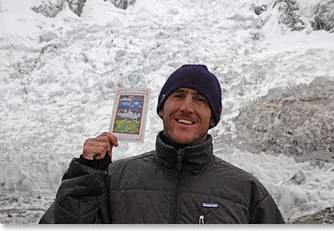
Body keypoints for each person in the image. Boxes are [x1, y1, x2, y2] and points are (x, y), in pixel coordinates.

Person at [39, 64, 285, 224]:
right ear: (161, 108)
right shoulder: (112, 179)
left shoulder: (246, 190)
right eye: (178, 95)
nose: (186, 107)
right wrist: (86, 177)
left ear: (213, 118)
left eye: (200, 100)